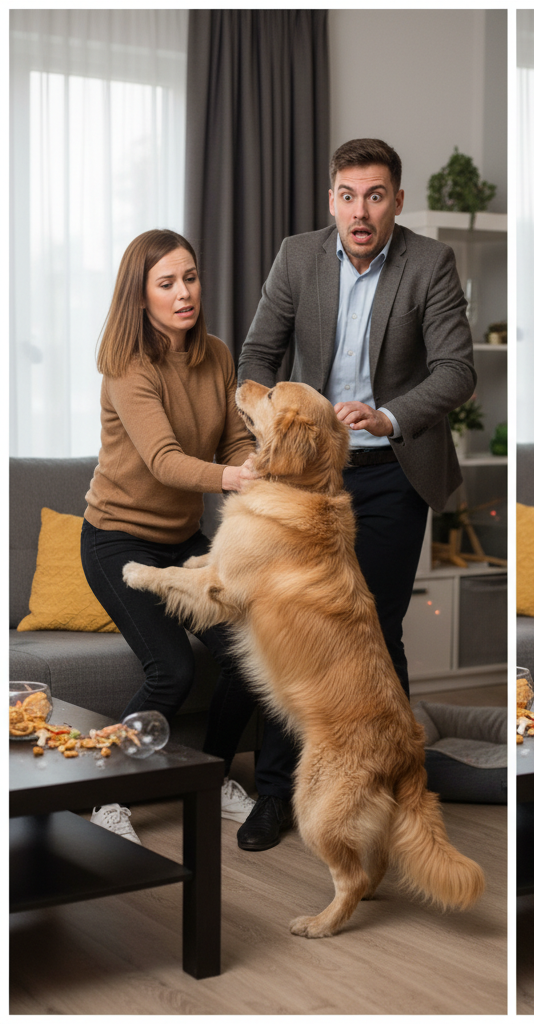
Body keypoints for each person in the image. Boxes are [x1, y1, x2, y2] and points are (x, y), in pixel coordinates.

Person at [235, 138, 476, 850]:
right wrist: (270, 442)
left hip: (390, 469)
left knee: (373, 631)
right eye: (348, 195)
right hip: (306, 477)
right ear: (331, 199)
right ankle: (277, 793)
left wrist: (389, 413)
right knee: (293, 632)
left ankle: (394, 792)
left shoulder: (430, 262)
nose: (360, 210)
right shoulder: (296, 256)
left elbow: (457, 370)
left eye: (375, 195)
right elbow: (257, 355)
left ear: (397, 201)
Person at [81, 229, 262, 845]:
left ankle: (204, 780)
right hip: (116, 542)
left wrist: (252, 464)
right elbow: (163, 460)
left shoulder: (215, 354)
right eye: (167, 283)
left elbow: (233, 439)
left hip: (183, 544)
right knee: (172, 672)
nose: (184, 293)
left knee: (246, 659)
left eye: (190, 277)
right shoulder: (128, 367)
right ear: (140, 297)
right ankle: (107, 794)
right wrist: (232, 476)